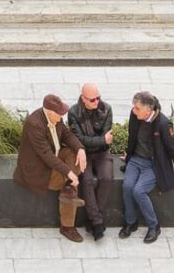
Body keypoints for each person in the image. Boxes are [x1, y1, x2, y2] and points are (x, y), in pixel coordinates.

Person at [119, 91, 174, 243]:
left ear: (148, 110)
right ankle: (131, 223)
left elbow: (172, 149)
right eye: (133, 108)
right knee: (127, 186)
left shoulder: (163, 124)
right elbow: (132, 137)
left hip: (153, 164)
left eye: (137, 108)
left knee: (138, 191)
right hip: (135, 160)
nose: (133, 111)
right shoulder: (135, 116)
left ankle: (154, 226)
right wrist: (128, 156)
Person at [12, 92, 86, 243]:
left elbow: (67, 134)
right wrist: (69, 173)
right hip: (38, 168)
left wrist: (80, 149)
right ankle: (67, 227)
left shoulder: (55, 118)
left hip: (55, 156)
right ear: (50, 112)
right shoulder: (35, 124)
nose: (62, 117)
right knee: (70, 179)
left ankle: (68, 190)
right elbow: (45, 155)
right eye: (60, 114)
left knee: (74, 155)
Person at [66, 81, 116, 241]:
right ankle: (98, 222)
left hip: (102, 154)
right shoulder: (74, 112)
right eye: (92, 99)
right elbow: (79, 139)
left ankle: (94, 220)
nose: (97, 102)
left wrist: (100, 141)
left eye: (98, 98)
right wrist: (101, 140)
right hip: (83, 153)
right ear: (83, 99)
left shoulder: (106, 109)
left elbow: (107, 140)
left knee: (106, 178)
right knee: (86, 180)